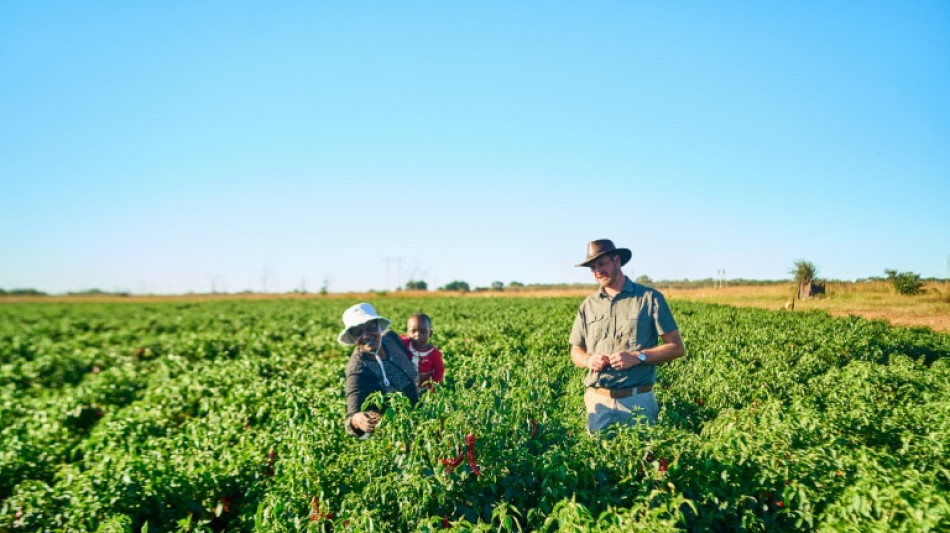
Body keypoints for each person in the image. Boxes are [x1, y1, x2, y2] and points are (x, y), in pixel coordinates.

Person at [569, 239, 686, 432]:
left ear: (616, 260)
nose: (597, 271)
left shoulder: (649, 298)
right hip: (599, 402)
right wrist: (589, 360)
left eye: (601, 264)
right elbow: (576, 351)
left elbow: (676, 347)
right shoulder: (588, 305)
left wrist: (637, 357)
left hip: (637, 401)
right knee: (599, 459)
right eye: (592, 267)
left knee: (643, 459)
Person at [339, 303, 419, 437]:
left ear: (378, 326)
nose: (365, 335)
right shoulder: (358, 369)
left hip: (423, 414)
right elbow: (351, 417)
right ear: (353, 338)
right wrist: (357, 420)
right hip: (395, 433)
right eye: (358, 332)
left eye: (370, 328)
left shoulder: (391, 339)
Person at [400, 313, 445, 393]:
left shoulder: (433, 353)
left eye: (423, 332)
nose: (417, 334)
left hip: (424, 390)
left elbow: (439, 371)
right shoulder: (405, 343)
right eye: (413, 331)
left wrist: (432, 389)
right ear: (407, 333)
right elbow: (394, 338)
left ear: (430, 333)